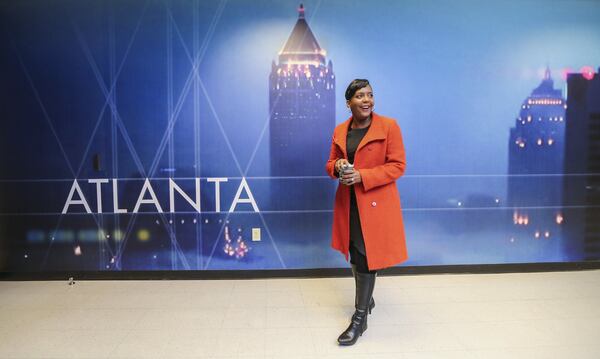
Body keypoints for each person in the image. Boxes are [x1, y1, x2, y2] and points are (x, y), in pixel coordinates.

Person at [325, 79, 408, 345]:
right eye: (360, 96)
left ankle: (360, 318)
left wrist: (363, 176)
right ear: (349, 102)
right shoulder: (340, 130)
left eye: (370, 95)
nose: (367, 100)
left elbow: (397, 166)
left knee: (366, 254)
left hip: (375, 203)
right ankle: (367, 298)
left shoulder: (389, 126)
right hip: (348, 201)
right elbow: (329, 165)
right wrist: (338, 166)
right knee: (354, 250)